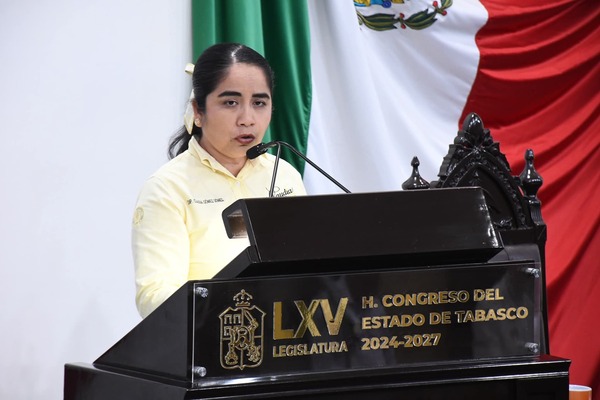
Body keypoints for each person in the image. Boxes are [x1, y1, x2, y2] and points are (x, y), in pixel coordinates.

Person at [132, 43, 307, 318]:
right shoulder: (167, 188)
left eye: (259, 103)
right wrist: (223, 307)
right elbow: (154, 296)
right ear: (198, 111)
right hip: (209, 335)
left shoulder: (285, 175)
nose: (247, 119)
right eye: (230, 103)